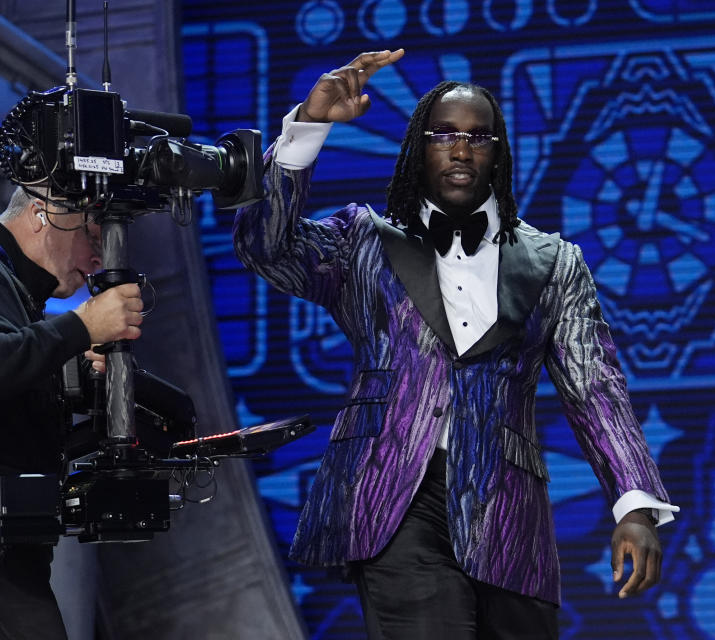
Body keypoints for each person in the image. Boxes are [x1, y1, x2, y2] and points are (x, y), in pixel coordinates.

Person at [234, 49, 678, 639]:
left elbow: (594, 386)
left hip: (507, 511)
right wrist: (308, 127)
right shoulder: (362, 241)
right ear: (419, 147)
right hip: (394, 493)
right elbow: (266, 246)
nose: (461, 148)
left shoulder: (553, 262)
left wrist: (635, 503)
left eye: (478, 137)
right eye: (444, 134)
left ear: (498, 153)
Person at [0, 186, 144, 640]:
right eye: (94, 239)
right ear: (44, 214)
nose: (99, 260)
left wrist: (78, 372)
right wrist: (81, 326)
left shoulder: (20, 291)